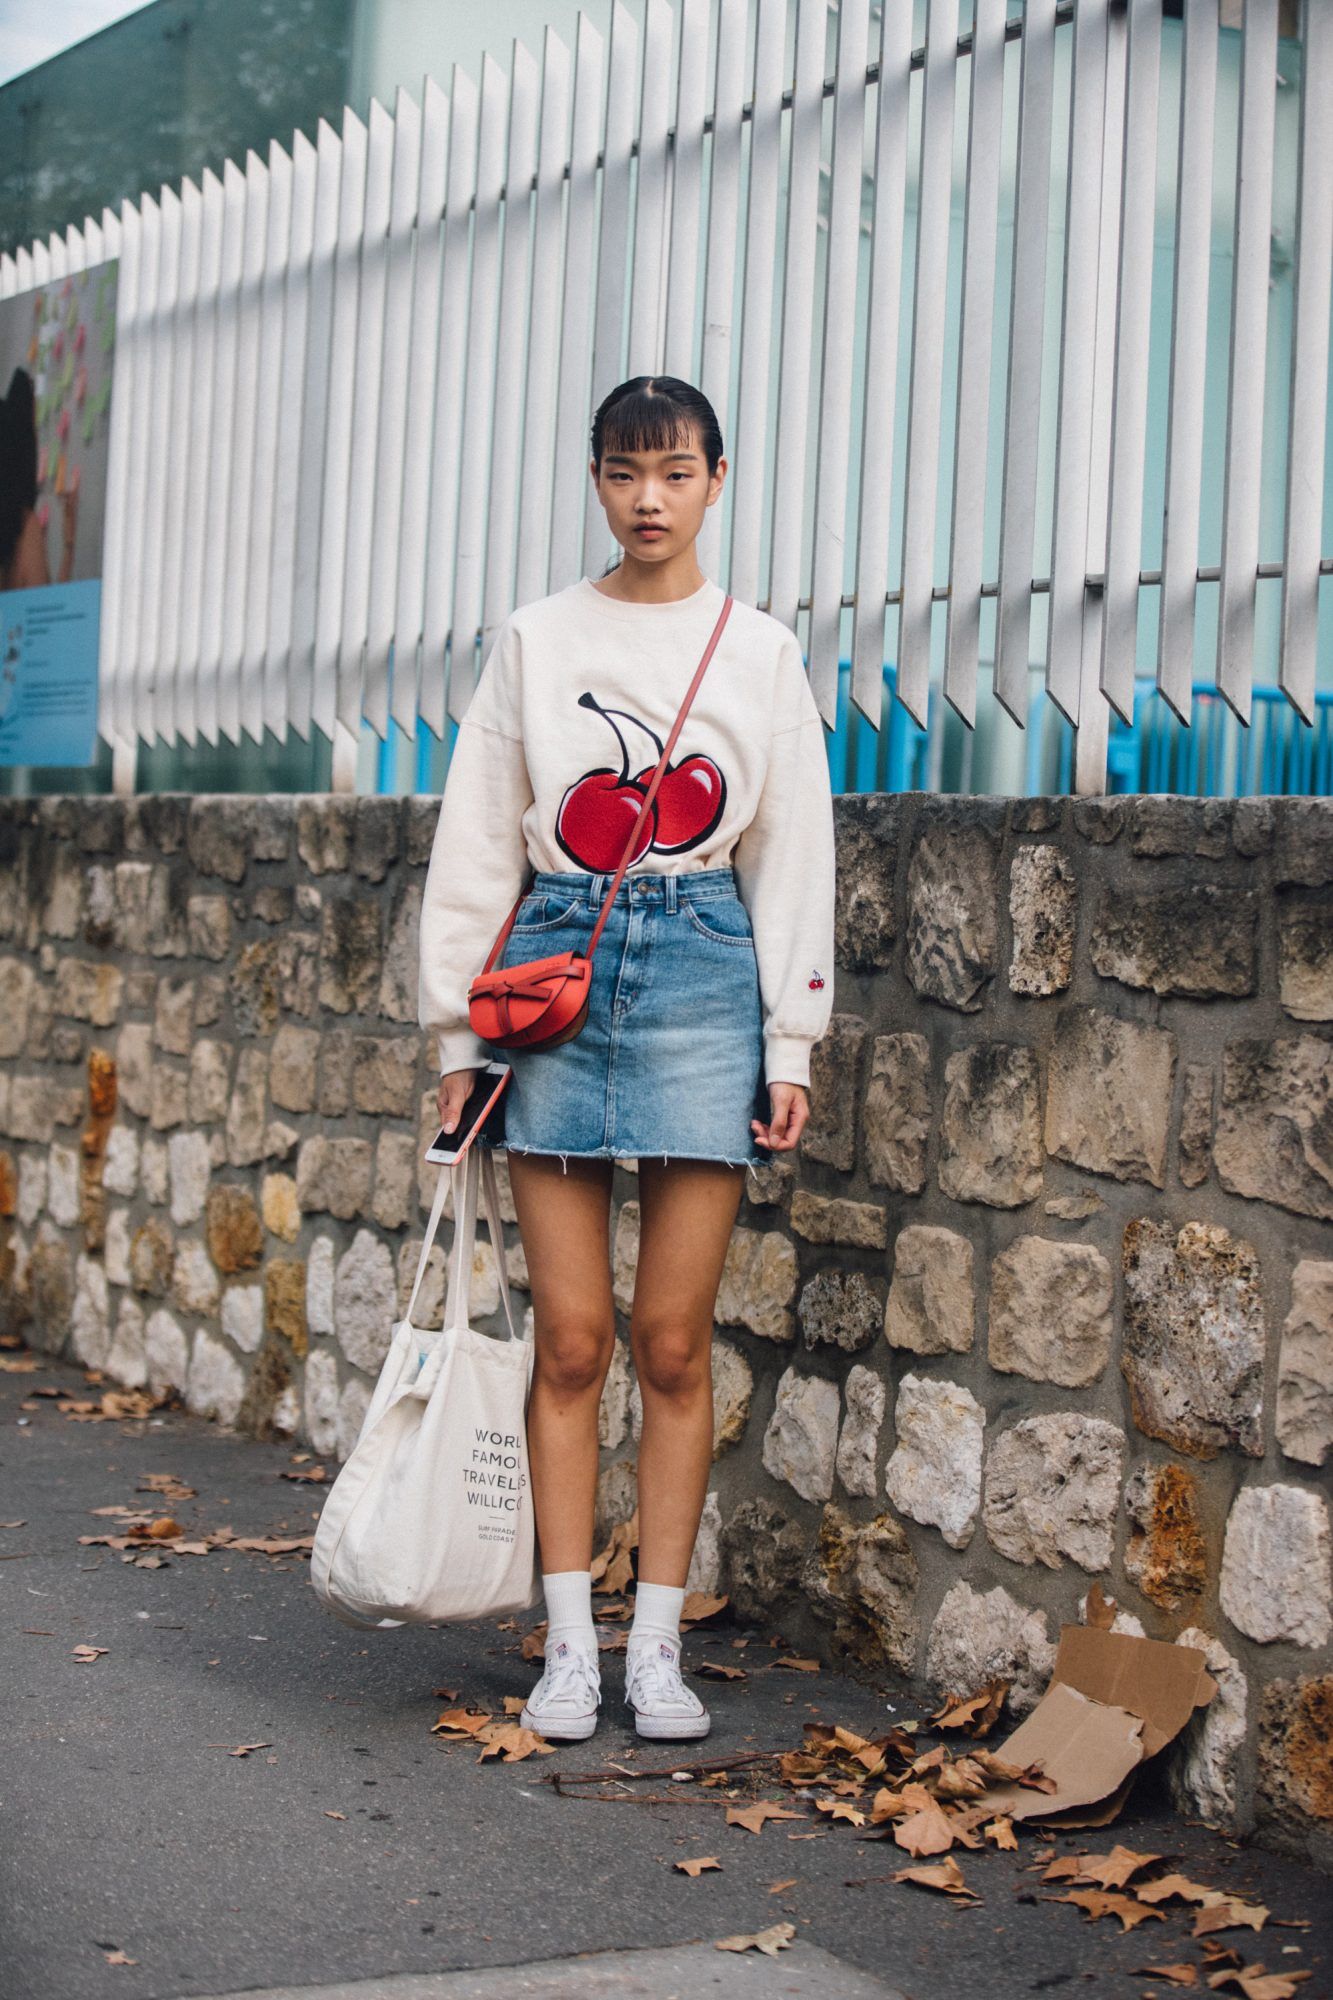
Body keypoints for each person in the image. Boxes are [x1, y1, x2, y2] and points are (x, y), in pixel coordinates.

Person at [418, 375, 835, 1742]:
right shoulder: (537, 640)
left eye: (672, 471)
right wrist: (458, 1036)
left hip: (708, 970)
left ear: (719, 476)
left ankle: (654, 1644)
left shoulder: (758, 651)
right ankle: (567, 1647)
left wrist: (790, 1043)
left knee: (668, 1344)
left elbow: (790, 861)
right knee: (572, 1342)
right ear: (594, 479)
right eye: (620, 471)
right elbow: (480, 834)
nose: (646, 498)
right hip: (556, 970)